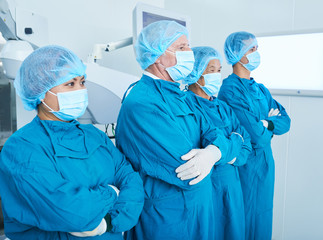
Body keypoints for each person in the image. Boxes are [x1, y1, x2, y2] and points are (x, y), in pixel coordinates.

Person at [0, 45, 144, 240]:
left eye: (82, 82)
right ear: (40, 91)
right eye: (70, 84)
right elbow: (69, 211)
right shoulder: (22, 148)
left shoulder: (94, 135)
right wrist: (112, 192)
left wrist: (107, 223)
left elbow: (132, 182)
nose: (81, 90)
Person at [115, 21, 241, 240]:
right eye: (181, 48)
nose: (189, 53)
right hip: (167, 218)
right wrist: (221, 149)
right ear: (156, 56)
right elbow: (187, 168)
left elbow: (214, 133)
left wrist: (214, 153)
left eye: (188, 46)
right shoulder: (142, 103)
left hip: (200, 209)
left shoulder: (181, 95)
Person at [218, 32, 291, 240]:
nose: (256, 53)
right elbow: (257, 138)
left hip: (266, 167)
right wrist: (267, 129)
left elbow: (285, 122)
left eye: (257, 49)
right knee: (246, 222)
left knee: (263, 220)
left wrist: (266, 123)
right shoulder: (230, 90)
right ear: (237, 54)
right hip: (246, 168)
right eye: (251, 49)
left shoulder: (260, 89)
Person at [185, 46, 252, 240]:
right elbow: (204, 143)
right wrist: (233, 144)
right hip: (208, 187)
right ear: (195, 72)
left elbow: (245, 141)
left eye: (219, 70)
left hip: (232, 186)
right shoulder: (187, 105)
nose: (217, 75)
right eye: (211, 70)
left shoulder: (222, 106)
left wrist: (224, 154)